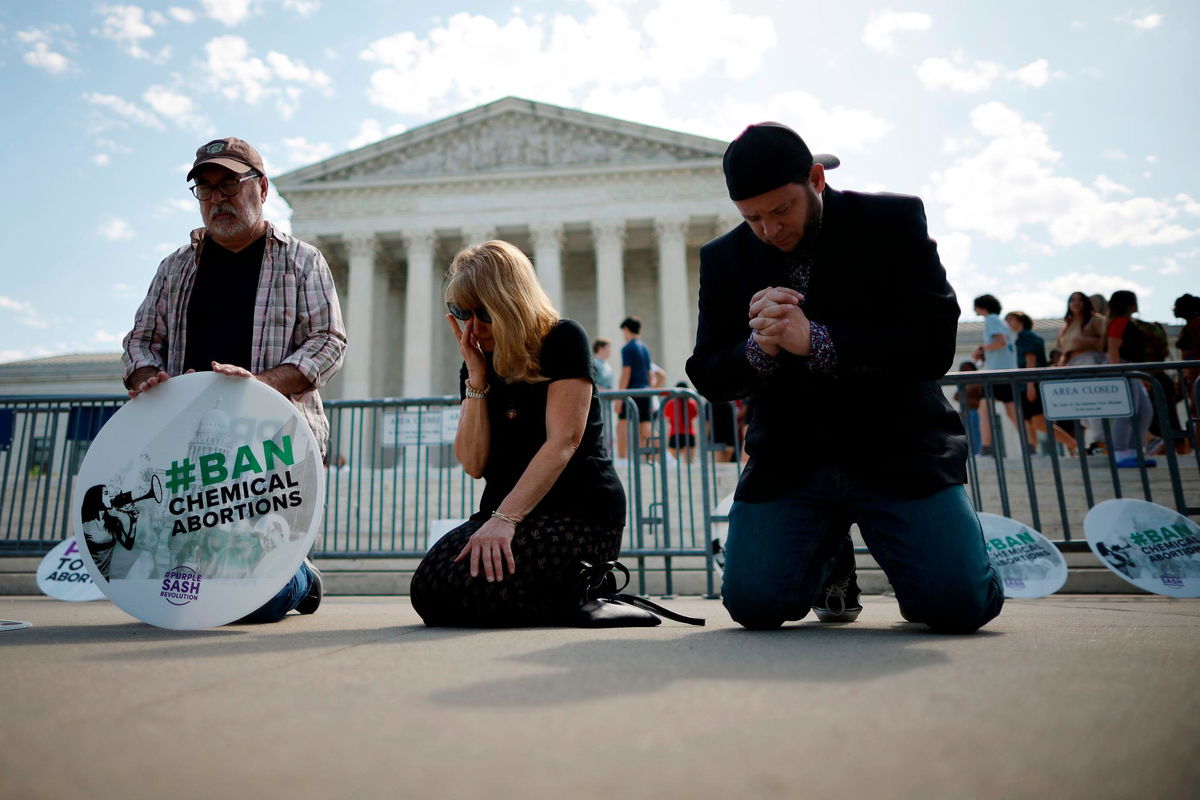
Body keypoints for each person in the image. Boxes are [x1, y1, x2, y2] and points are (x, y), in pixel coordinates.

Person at [687, 121, 1003, 633]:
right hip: (792, 460)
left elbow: (933, 344)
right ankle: (830, 555)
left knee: (959, 606)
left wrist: (816, 340)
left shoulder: (891, 220)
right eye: (752, 218)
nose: (769, 229)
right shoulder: (724, 257)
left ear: (815, 179)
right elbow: (708, 374)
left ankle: (955, 555)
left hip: (897, 448)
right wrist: (759, 348)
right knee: (753, 605)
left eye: (780, 209)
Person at [121, 136, 346, 622]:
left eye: (230, 184)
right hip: (189, 443)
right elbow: (140, 340)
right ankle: (284, 575)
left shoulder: (301, 260)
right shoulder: (175, 268)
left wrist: (257, 386)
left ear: (261, 188)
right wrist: (145, 375)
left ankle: (297, 578)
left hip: (272, 441)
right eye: (205, 189)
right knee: (175, 591)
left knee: (252, 601)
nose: (217, 198)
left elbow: (329, 342)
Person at [409, 240, 630, 627]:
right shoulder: (479, 361)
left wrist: (505, 520)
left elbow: (564, 441)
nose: (473, 327)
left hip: (577, 512)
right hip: (502, 512)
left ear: (511, 303)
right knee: (429, 589)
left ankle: (588, 591)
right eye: (462, 312)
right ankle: (573, 595)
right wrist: (477, 379)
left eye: (483, 313)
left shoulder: (563, 339)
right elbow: (473, 463)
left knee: (477, 593)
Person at [1005, 311, 1077, 456]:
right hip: (1026, 383)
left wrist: (1030, 385)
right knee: (1030, 422)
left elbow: (1030, 359)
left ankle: (1074, 445)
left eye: (1011, 319)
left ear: (1020, 320)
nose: (1008, 323)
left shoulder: (1026, 336)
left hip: (1030, 383)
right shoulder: (1022, 337)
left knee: (1039, 422)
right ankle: (1033, 451)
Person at [1105, 290, 1156, 468]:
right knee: (1126, 412)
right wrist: (1118, 373)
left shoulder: (1127, 322)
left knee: (1145, 412)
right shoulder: (1119, 322)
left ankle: (1133, 452)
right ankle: (1120, 454)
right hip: (1122, 368)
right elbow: (1112, 348)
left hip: (1131, 369)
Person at [971, 294, 1020, 457]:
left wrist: (982, 349)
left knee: (984, 410)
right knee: (1012, 413)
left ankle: (986, 448)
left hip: (997, 373)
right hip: (1007, 372)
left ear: (981, 306)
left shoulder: (991, 320)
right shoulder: (1001, 321)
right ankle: (1030, 445)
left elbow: (999, 342)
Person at [617, 316, 654, 459]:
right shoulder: (645, 348)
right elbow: (651, 373)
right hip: (645, 391)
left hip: (632, 391)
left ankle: (622, 458)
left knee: (622, 424)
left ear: (626, 330)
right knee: (645, 425)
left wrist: (619, 397)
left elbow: (626, 372)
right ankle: (649, 457)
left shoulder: (628, 348)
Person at [1054, 291, 1107, 366]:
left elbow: (1107, 342)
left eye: (1080, 300)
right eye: (1072, 300)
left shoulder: (1096, 319)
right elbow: (1062, 349)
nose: (1076, 303)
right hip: (1070, 363)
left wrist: (1086, 340)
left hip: (1090, 360)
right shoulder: (1067, 325)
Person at [661, 381, 700, 462]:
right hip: (689, 434)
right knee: (689, 464)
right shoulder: (691, 404)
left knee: (672, 462)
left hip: (675, 434)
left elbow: (668, 418)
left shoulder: (670, 403)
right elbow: (695, 415)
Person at [954, 361, 984, 455]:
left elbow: (983, 400)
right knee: (967, 436)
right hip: (965, 414)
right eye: (963, 368)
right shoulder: (963, 383)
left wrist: (967, 402)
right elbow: (956, 396)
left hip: (975, 412)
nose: (965, 370)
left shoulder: (977, 383)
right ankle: (972, 454)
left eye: (967, 368)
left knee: (976, 435)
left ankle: (979, 453)